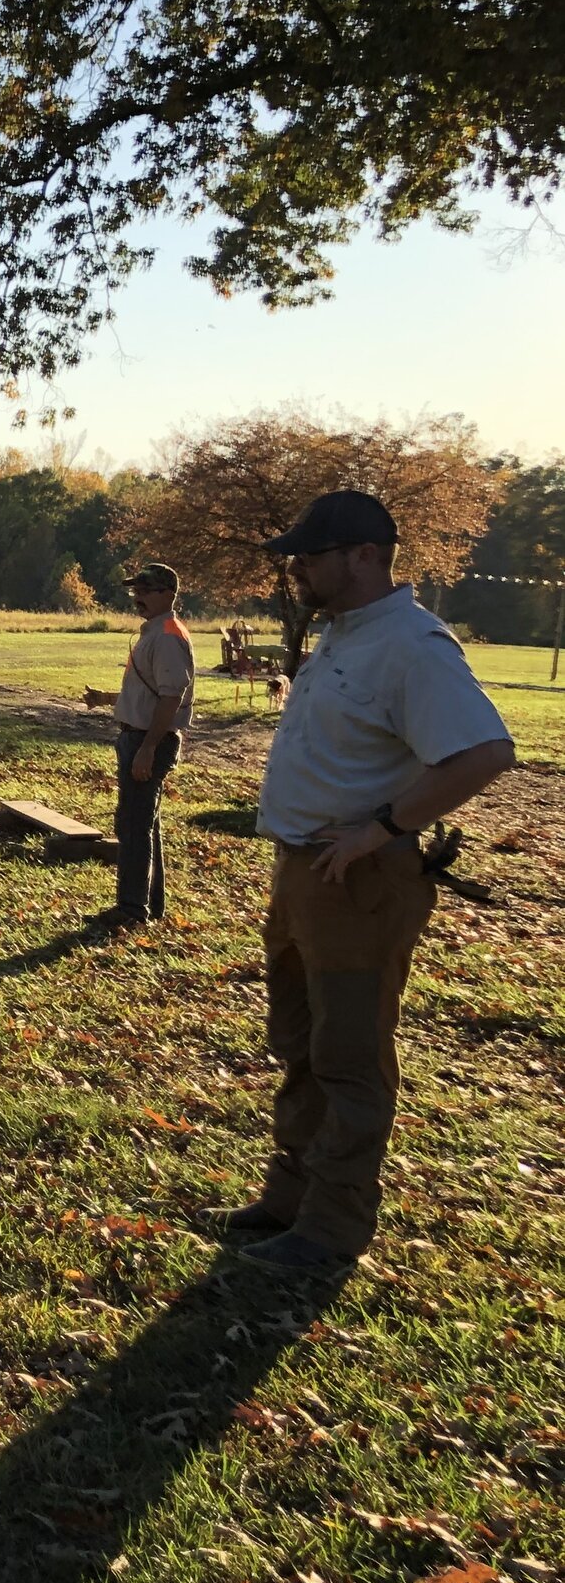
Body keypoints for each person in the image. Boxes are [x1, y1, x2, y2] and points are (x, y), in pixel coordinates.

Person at [215, 490, 515, 1275]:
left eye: (311, 556)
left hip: (359, 880)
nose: (297, 569)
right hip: (306, 868)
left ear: (365, 556)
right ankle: (291, 1196)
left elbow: (483, 752)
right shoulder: (345, 634)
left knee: (347, 1051)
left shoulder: (413, 644)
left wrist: (382, 828)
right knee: (301, 1042)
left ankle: (332, 1227)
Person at [81, 562, 195, 927]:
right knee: (144, 824)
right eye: (135, 591)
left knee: (132, 825)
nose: (138, 598)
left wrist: (147, 747)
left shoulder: (166, 636)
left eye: (145, 591)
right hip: (140, 737)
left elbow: (171, 697)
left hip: (147, 742)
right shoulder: (156, 633)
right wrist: (104, 698)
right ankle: (150, 905)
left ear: (168, 594)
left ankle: (132, 910)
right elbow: (147, 693)